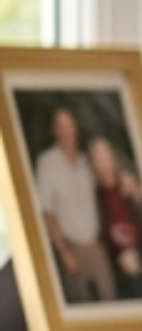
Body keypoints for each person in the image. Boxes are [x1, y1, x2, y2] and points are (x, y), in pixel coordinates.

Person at [33, 106, 113, 305]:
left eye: (69, 125)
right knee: (82, 303)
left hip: (96, 246)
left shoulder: (86, 160)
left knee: (109, 298)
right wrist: (65, 252)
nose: (67, 130)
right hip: (73, 248)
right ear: (54, 129)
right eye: (61, 126)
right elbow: (47, 212)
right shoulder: (47, 163)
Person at [89, 136, 142, 300]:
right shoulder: (96, 196)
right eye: (97, 157)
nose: (102, 161)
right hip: (117, 259)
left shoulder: (129, 185)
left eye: (104, 155)